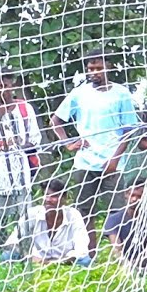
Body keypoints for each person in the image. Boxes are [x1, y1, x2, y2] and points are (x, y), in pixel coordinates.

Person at [52, 50, 139, 228]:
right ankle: (87, 254)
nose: (94, 72)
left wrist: (114, 160)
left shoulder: (121, 93)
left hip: (112, 163)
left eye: (99, 68)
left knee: (118, 212)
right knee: (83, 213)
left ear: (109, 67)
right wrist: (68, 142)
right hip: (85, 162)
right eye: (90, 68)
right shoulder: (79, 93)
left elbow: (129, 130)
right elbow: (55, 121)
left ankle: (120, 251)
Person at [0, 70, 41, 246]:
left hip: (21, 173)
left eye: (4, 86)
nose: (0, 90)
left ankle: (23, 246)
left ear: (12, 86)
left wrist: (20, 145)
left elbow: (35, 139)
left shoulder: (24, 108)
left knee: (23, 214)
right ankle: (1, 247)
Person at [3, 179, 93, 266]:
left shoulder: (73, 215)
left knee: (85, 261)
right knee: (7, 255)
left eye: (54, 196)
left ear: (64, 198)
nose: (48, 199)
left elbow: (82, 249)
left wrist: (59, 262)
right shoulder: (32, 214)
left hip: (65, 261)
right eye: (46, 195)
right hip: (37, 260)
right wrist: (30, 257)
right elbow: (12, 242)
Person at [103, 180, 147, 270]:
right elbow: (116, 250)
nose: (134, 199)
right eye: (132, 195)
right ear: (126, 194)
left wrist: (138, 264)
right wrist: (128, 267)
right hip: (123, 266)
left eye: (139, 196)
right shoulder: (114, 219)